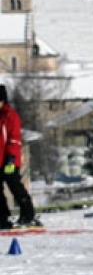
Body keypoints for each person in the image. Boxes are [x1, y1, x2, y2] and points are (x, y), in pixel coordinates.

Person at [0, 85, 38, 229]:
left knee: (15, 187)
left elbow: (14, 139)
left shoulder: (10, 116)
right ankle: (3, 218)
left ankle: (28, 214)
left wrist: (11, 159)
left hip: (9, 160)